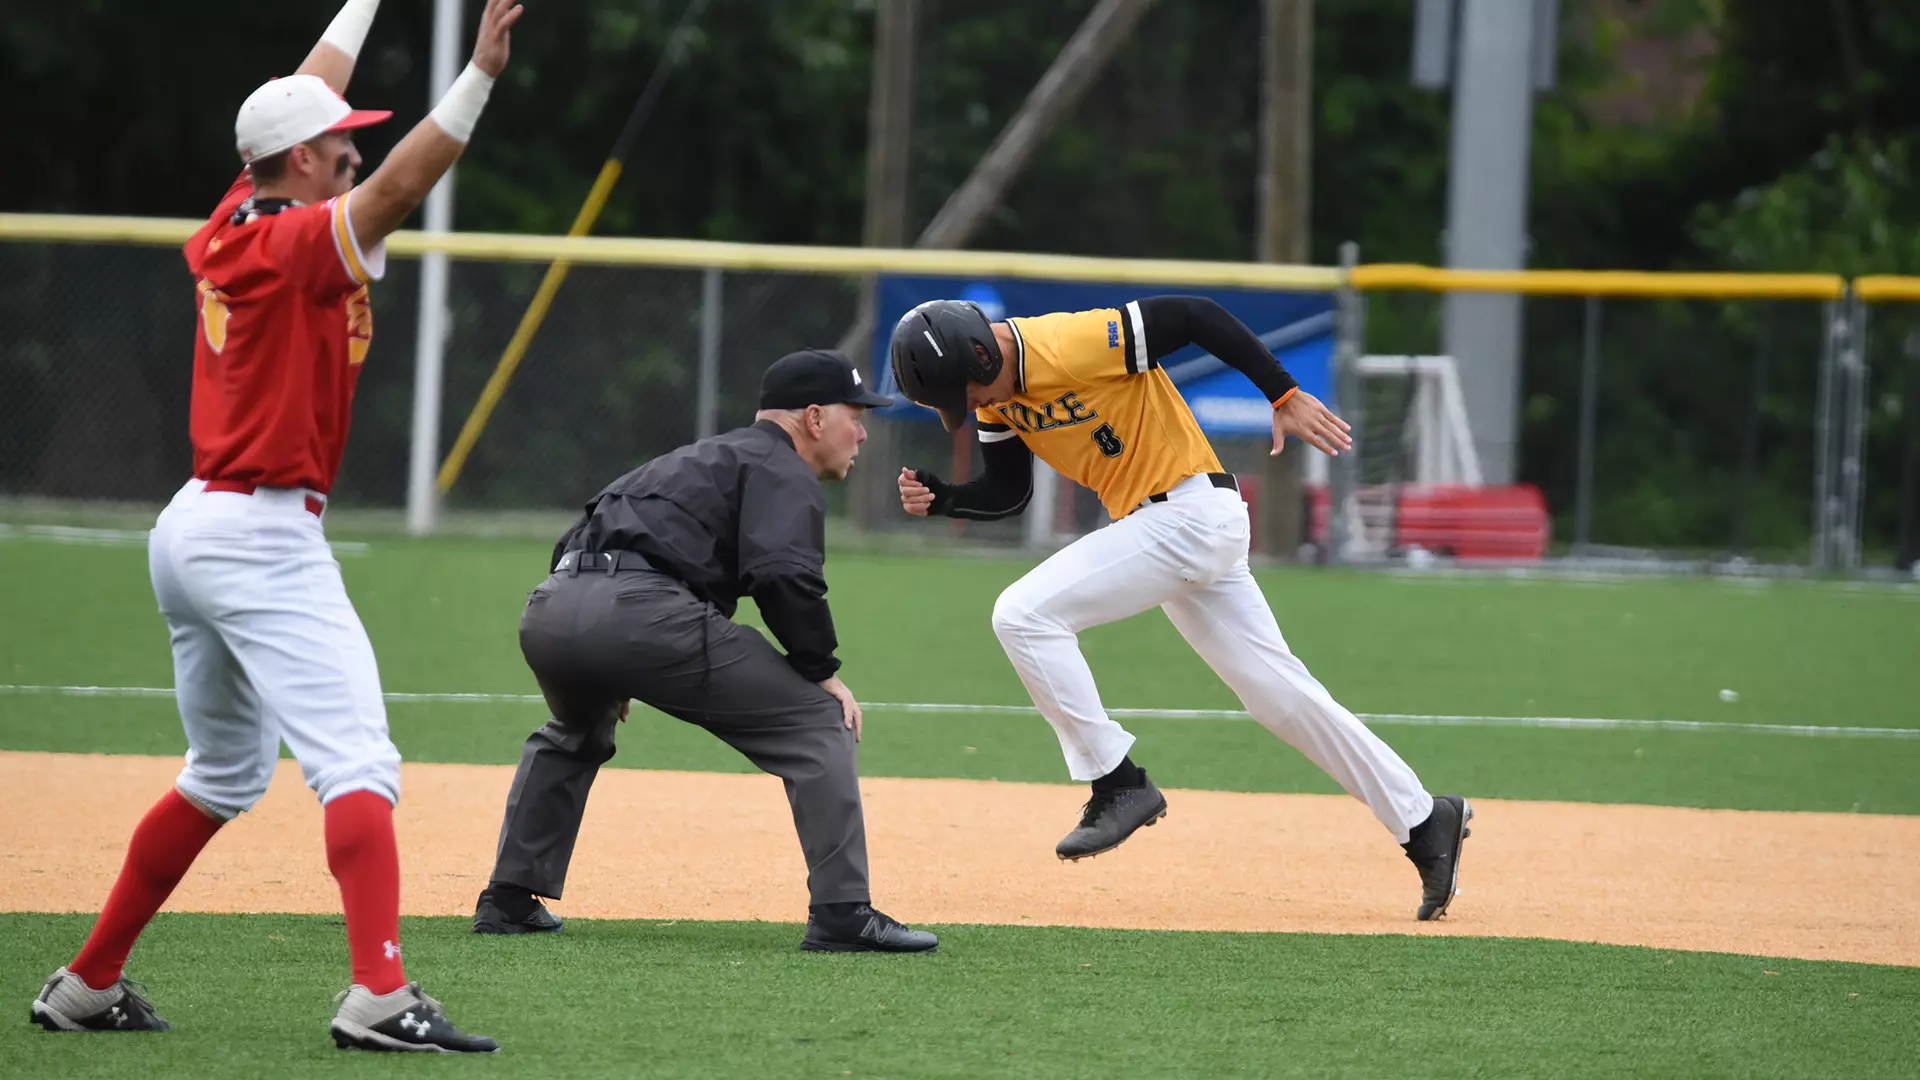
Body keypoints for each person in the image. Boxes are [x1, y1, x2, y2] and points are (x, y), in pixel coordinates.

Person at [29, 0, 523, 1052]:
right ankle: (380, 995)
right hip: (259, 535)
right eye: (339, 142)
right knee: (359, 763)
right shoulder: (298, 244)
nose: (355, 150)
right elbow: (399, 189)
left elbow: (305, 94)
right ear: (301, 162)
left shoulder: (238, 214)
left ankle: (86, 983)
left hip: (197, 526)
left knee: (220, 776)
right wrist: (479, 73)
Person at [889, 297, 1473, 920]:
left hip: (1187, 515)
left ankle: (1118, 783)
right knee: (1280, 697)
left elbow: (1196, 317)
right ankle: (1424, 821)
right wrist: (947, 500)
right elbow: (1009, 490)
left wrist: (1282, 393)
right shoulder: (996, 395)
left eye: (966, 391)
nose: (971, 405)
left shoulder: (1071, 342)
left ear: (984, 355)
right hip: (1175, 529)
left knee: (1022, 615)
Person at [472, 349, 938, 954]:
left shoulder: (687, 459)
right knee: (820, 721)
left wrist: (604, 657)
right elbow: (783, 575)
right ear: (815, 417)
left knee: (575, 731)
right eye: (856, 415)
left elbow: (578, 536)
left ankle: (508, 899)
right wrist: (821, 670)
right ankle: (843, 913)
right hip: (639, 615)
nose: (863, 432)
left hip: (553, 610)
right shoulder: (782, 466)